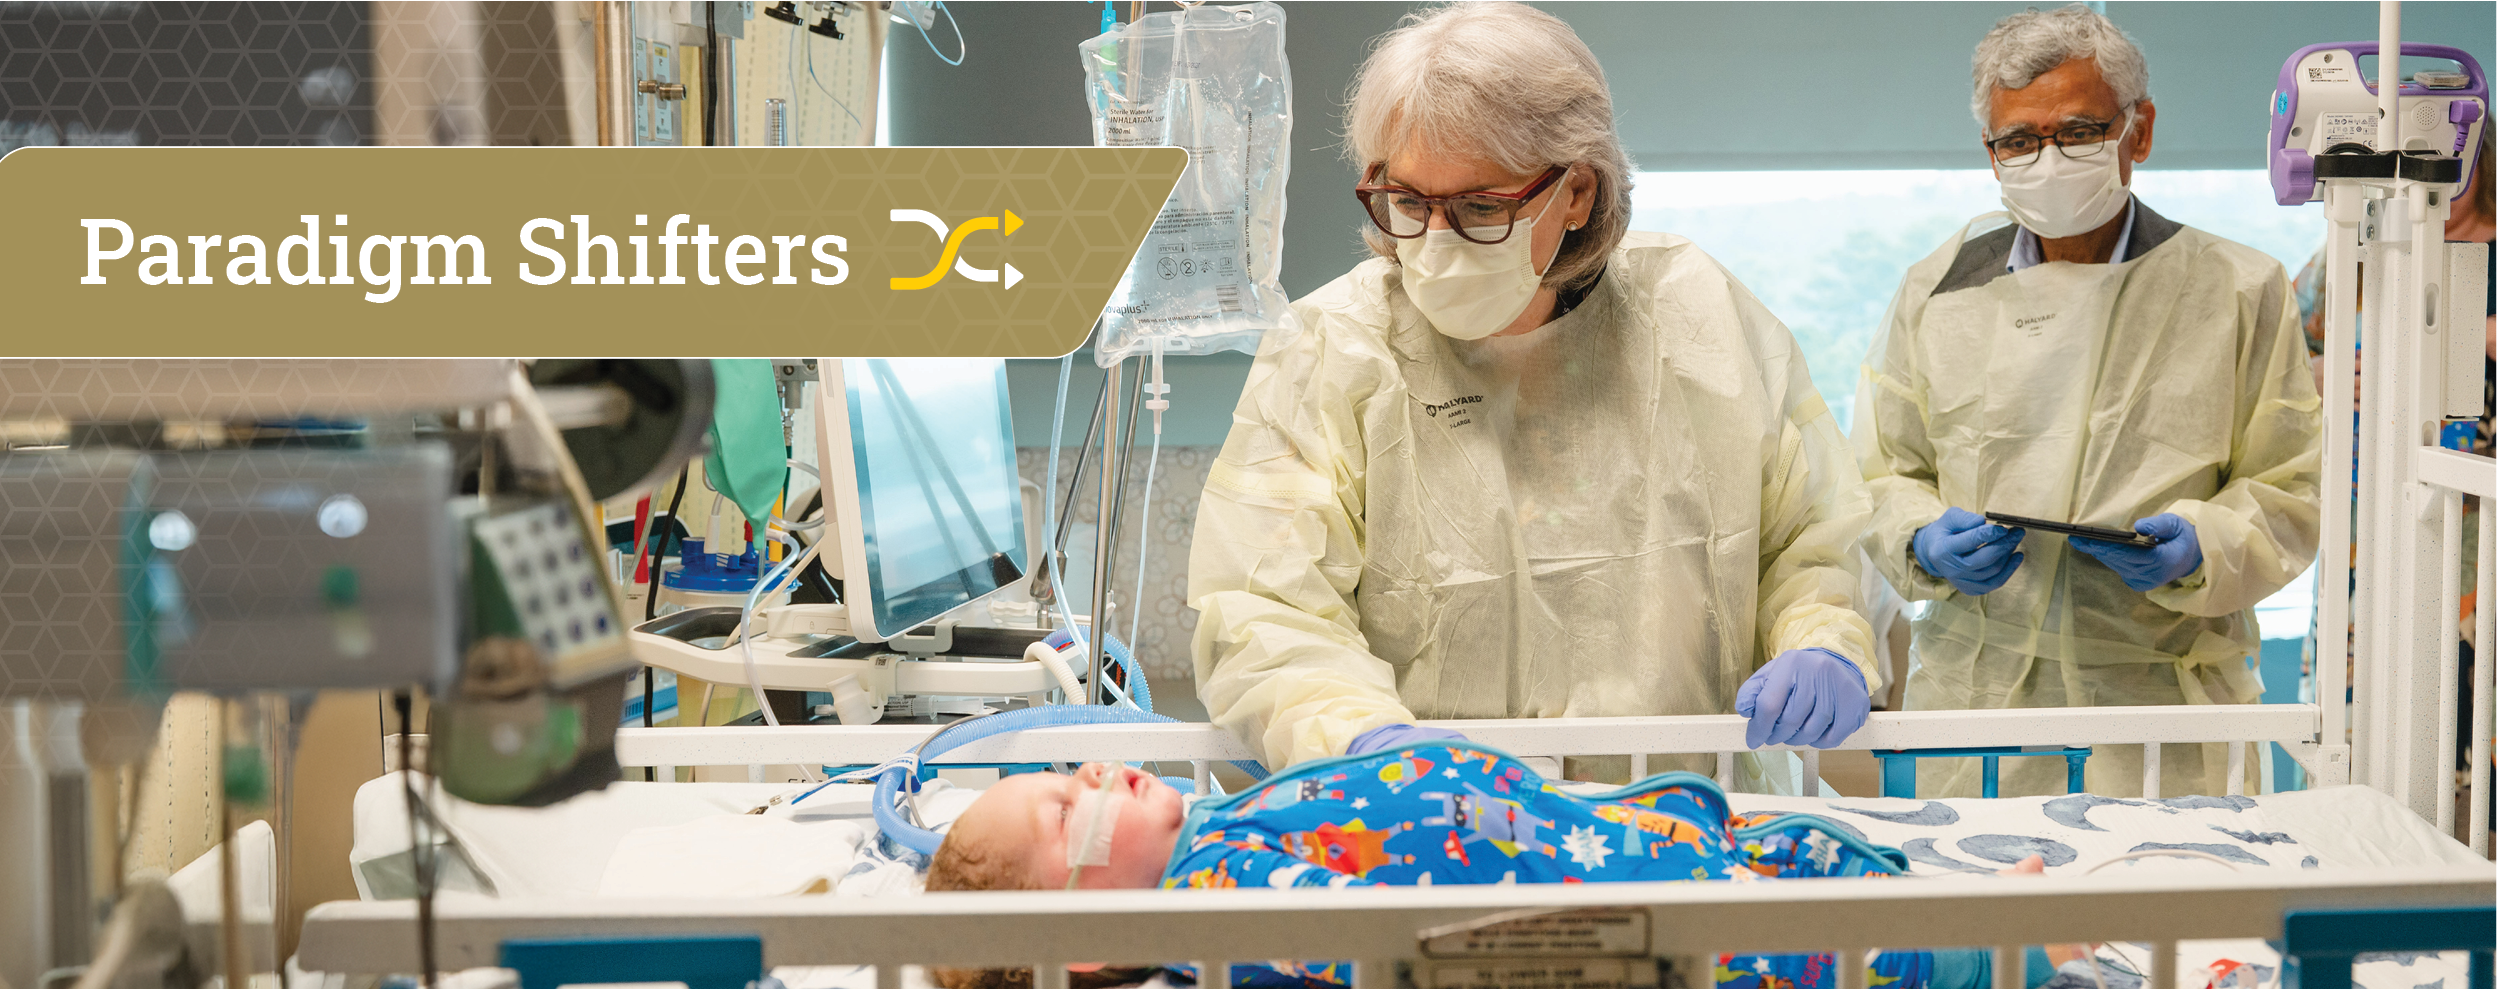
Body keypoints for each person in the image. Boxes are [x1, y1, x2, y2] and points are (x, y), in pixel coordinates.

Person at [1187, 2, 1877, 786]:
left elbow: (1807, 538)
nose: (1436, 243)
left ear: (1576, 192)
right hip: (1434, 824)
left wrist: (1823, 637)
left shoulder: (1698, 318)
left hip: (1684, 817)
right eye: (1409, 203)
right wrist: (1361, 736)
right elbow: (1263, 609)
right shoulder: (1330, 349)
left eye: (1482, 208)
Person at [1853, 5, 2322, 798]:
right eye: (2019, 141)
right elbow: (1877, 472)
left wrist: (2203, 545)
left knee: (2168, 918)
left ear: (2137, 133)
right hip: (1978, 710)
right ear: (1990, 152)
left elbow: (2292, 485)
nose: (2047, 159)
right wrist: (1922, 536)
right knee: (1974, 917)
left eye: (2077, 131)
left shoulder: (2237, 290)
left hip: (2165, 716)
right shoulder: (1938, 292)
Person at [925, 752, 2066, 989]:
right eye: (1066, 807)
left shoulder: (1219, 822)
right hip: (1615, 913)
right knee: (1793, 946)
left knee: (1786, 861)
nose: (1092, 769)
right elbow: (1383, 938)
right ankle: (1998, 947)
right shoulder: (1216, 898)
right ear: (1079, 934)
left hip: (1592, 837)